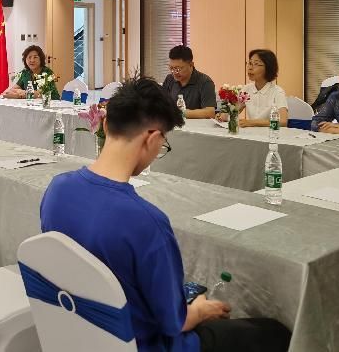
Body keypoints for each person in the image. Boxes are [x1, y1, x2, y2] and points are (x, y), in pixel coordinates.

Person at [40, 77, 290, 352]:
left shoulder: (56, 190)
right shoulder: (146, 222)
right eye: (163, 144)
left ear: (106, 124)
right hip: (147, 344)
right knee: (274, 333)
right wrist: (200, 310)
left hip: (82, 333)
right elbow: (175, 323)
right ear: (152, 138)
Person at [217, 49, 288, 127]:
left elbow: (283, 122)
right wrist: (223, 115)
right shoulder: (247, 89)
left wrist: (252, 122)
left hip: (271, 133)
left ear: (268, 68)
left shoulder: (277, 92)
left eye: (256, 64)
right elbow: (235, 110)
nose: (250, 68)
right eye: (250, 63)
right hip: (252, 132)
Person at [161, 45, 216, 119]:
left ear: (191, 65)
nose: (174, 72)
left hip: (196, 126)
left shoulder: (205, 82)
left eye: (178, 69)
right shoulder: (169, 79)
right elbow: (161, 104)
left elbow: (210, 112)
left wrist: (181, 113)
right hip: (172, 124)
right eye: (171, 68)